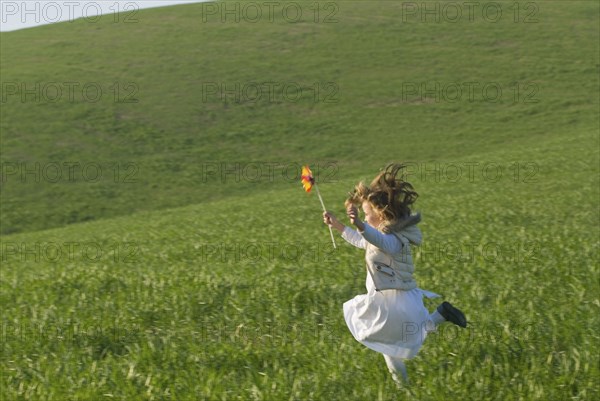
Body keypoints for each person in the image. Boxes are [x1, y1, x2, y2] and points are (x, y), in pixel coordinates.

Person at [323, 163, 467, 385]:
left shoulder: (393, 239)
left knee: (393, 344)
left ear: (381, 214)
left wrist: (360, 224)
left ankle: (404, 389)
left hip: (395, 301)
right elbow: (364, 242)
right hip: (389, 299)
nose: (365, 216)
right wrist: (339, 226)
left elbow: (377, 240)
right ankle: (440, 316)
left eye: (367, 213)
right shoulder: (378, 235)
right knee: (403, 340)